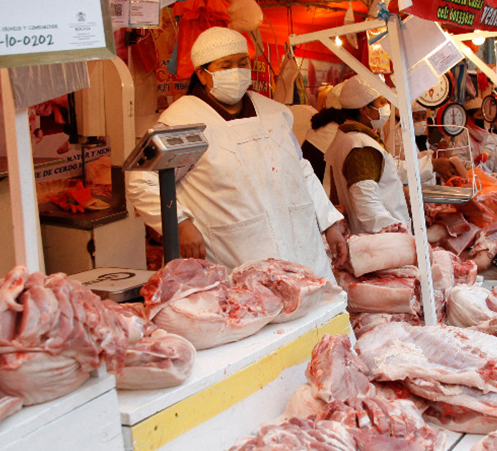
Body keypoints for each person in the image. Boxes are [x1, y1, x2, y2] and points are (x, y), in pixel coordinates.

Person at [125, 27, 345, 277]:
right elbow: (142, 180)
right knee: (255, 309)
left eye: (242, 63)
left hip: (302, 250)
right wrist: (180, 223)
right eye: (226, 65)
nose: (237, 71)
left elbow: (302, 170)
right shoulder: (182, 120)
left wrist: (329, 223)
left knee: (314, 308)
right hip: (234, 259)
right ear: (202, 74)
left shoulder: (275, 113)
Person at [322, 75, 410, 235]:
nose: (386, 107)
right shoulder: (360, 146)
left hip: (368, 238)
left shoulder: (348, 138)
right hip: (381, 243)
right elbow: (367, 207)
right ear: (364, 108)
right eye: (382, 102)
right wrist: (400, 236)